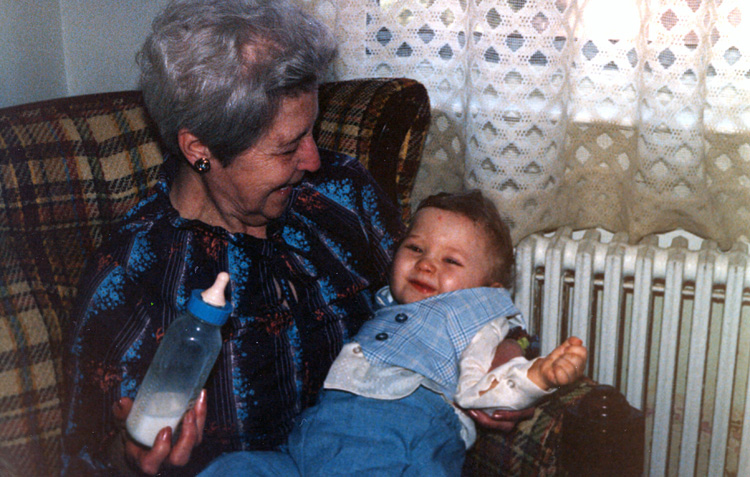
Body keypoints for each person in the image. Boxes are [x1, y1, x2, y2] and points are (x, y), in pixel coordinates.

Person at [61, 1, 404, 475]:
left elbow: (439, 299)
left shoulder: (342, 194)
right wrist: (129, 459)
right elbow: (80, 456)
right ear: (200, 150)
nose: (313, 160)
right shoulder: (131, 277)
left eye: (312, 131)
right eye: (287, 147)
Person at [197, 190, 588, 476]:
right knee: (233, 469)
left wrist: (536, 375)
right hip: (313, 444)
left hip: (399, 439)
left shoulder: (478, 321)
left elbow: (495, 382)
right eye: (415, 248)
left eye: (451, 260)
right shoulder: (386, 306)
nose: (426, 265)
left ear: (490, 290)